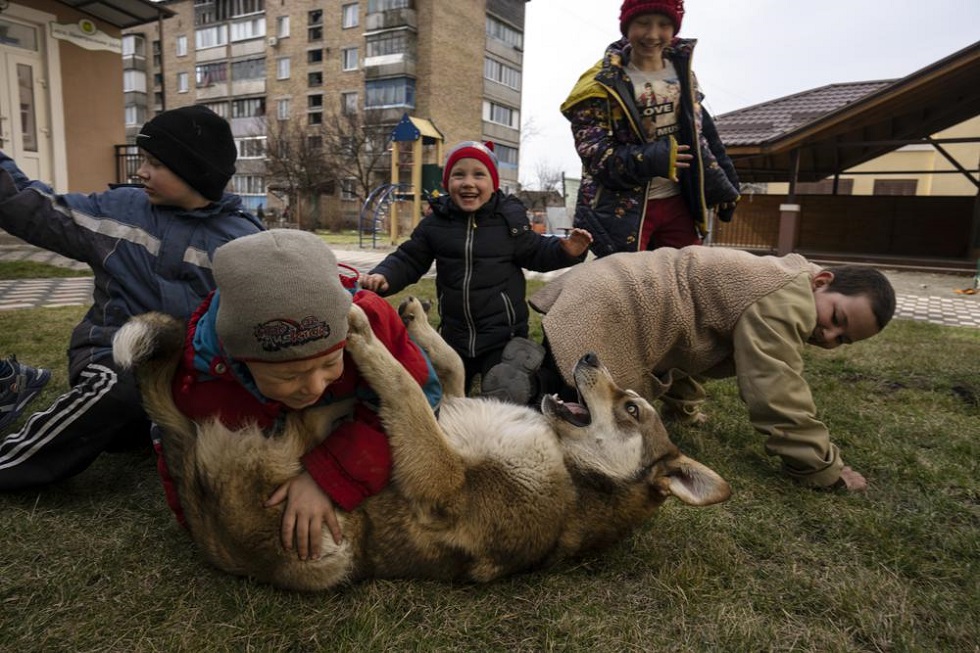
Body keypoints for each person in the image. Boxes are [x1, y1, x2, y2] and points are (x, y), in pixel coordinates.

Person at [0, 105, 264, 491]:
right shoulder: (120, 211)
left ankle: (154, 432)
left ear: (194, 170)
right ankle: (12, 464)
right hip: (111, 353)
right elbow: (36, 209)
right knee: (120, 387)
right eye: (143, 160)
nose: (141, 171)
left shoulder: (241, 242)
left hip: (187, 378)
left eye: (155, 163)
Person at [163, 230, 442, 561]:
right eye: (288, 374)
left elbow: (418, 400)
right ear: (240, 359)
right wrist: (201, 523)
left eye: (330, 362)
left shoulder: (369, 323)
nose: (313, 386)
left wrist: (328, 477)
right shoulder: (204, 380)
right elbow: (180, 448)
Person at [527, 246, 897, 492]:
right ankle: (528, 383)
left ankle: (529, 365)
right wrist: (822, 468)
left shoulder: (784, 284)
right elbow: (776, 389)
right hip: (618, 301)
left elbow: (695, 351)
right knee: (592, 408)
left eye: (842, 339)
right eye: (836, 317)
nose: (829, 333)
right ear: (822, 281)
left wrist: (683, 409)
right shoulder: (786, 302)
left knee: (588, 387)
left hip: (615, 284)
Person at [360, 140, 593, 399]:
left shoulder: (508, 220)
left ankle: (534, 389)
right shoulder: (436, 223)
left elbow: (535, 251)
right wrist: (384, 275)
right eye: (459, 174)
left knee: (507, 388)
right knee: (436, 390)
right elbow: (409, 258)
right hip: (455, 335)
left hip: (503, 335)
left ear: (493, 184)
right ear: (447, 182)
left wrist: (567, 251)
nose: (468, 182)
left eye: (479, 174)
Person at [562, 0, 740, 257]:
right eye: (643, 23)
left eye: (664, 24)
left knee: (687, 280)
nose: (653, 34)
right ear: (626, 25)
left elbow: (703, 134)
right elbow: (596, 155)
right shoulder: (598, 85)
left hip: (678, 201)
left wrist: (726, 185)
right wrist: (655, 158)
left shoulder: (683, 74)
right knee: (625, 288)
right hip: (619, 210)